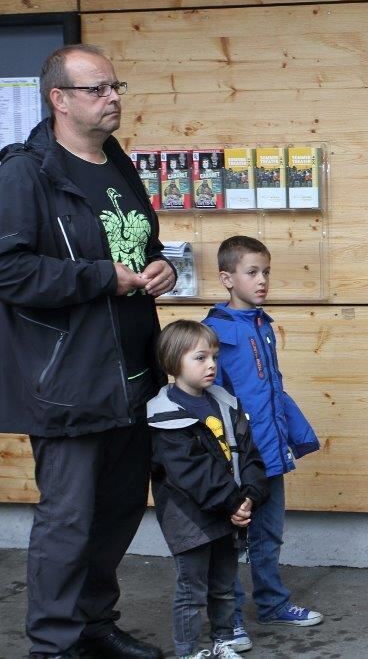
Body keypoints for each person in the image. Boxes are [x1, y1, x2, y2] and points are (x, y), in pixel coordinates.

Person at [0, 44, 176, 659]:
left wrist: (160, 269)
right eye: (97, 89)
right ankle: (53, 644)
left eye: (115, 85)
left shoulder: (116, 164)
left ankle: (94, 626)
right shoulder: (25, 171)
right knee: (69, 518)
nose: (113, 97)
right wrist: (106, 277)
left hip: (134, 371)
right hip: (68, 378)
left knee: (121, 507)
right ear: (59, 99)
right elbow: (11, 272)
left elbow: (143, 245)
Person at [202, 236, 322, 652]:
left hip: (270, 456)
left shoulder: (262, 324)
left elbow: (271, 391)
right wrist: (222, 457)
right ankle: (229, 620)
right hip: (237, 461)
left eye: (266, 272)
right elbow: (211, 397)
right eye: (252, 272)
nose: (262, 280)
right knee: (232, 544)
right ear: (226, 278)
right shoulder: (214, 330)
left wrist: (291, 438)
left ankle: (272, 603)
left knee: (268, 537)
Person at [148, 321, 269, 659]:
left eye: (214, 357)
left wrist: (250, 496)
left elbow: (248, 454)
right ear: (174, 361)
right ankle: (187, 652)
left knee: (224, 586)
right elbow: (192, 472)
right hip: (190, 518)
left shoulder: (225, 403)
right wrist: (233, 501)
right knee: (191, 589)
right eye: (200, 357)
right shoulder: (165, 414)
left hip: (229, 510)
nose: (212, 365)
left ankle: (223, 642)